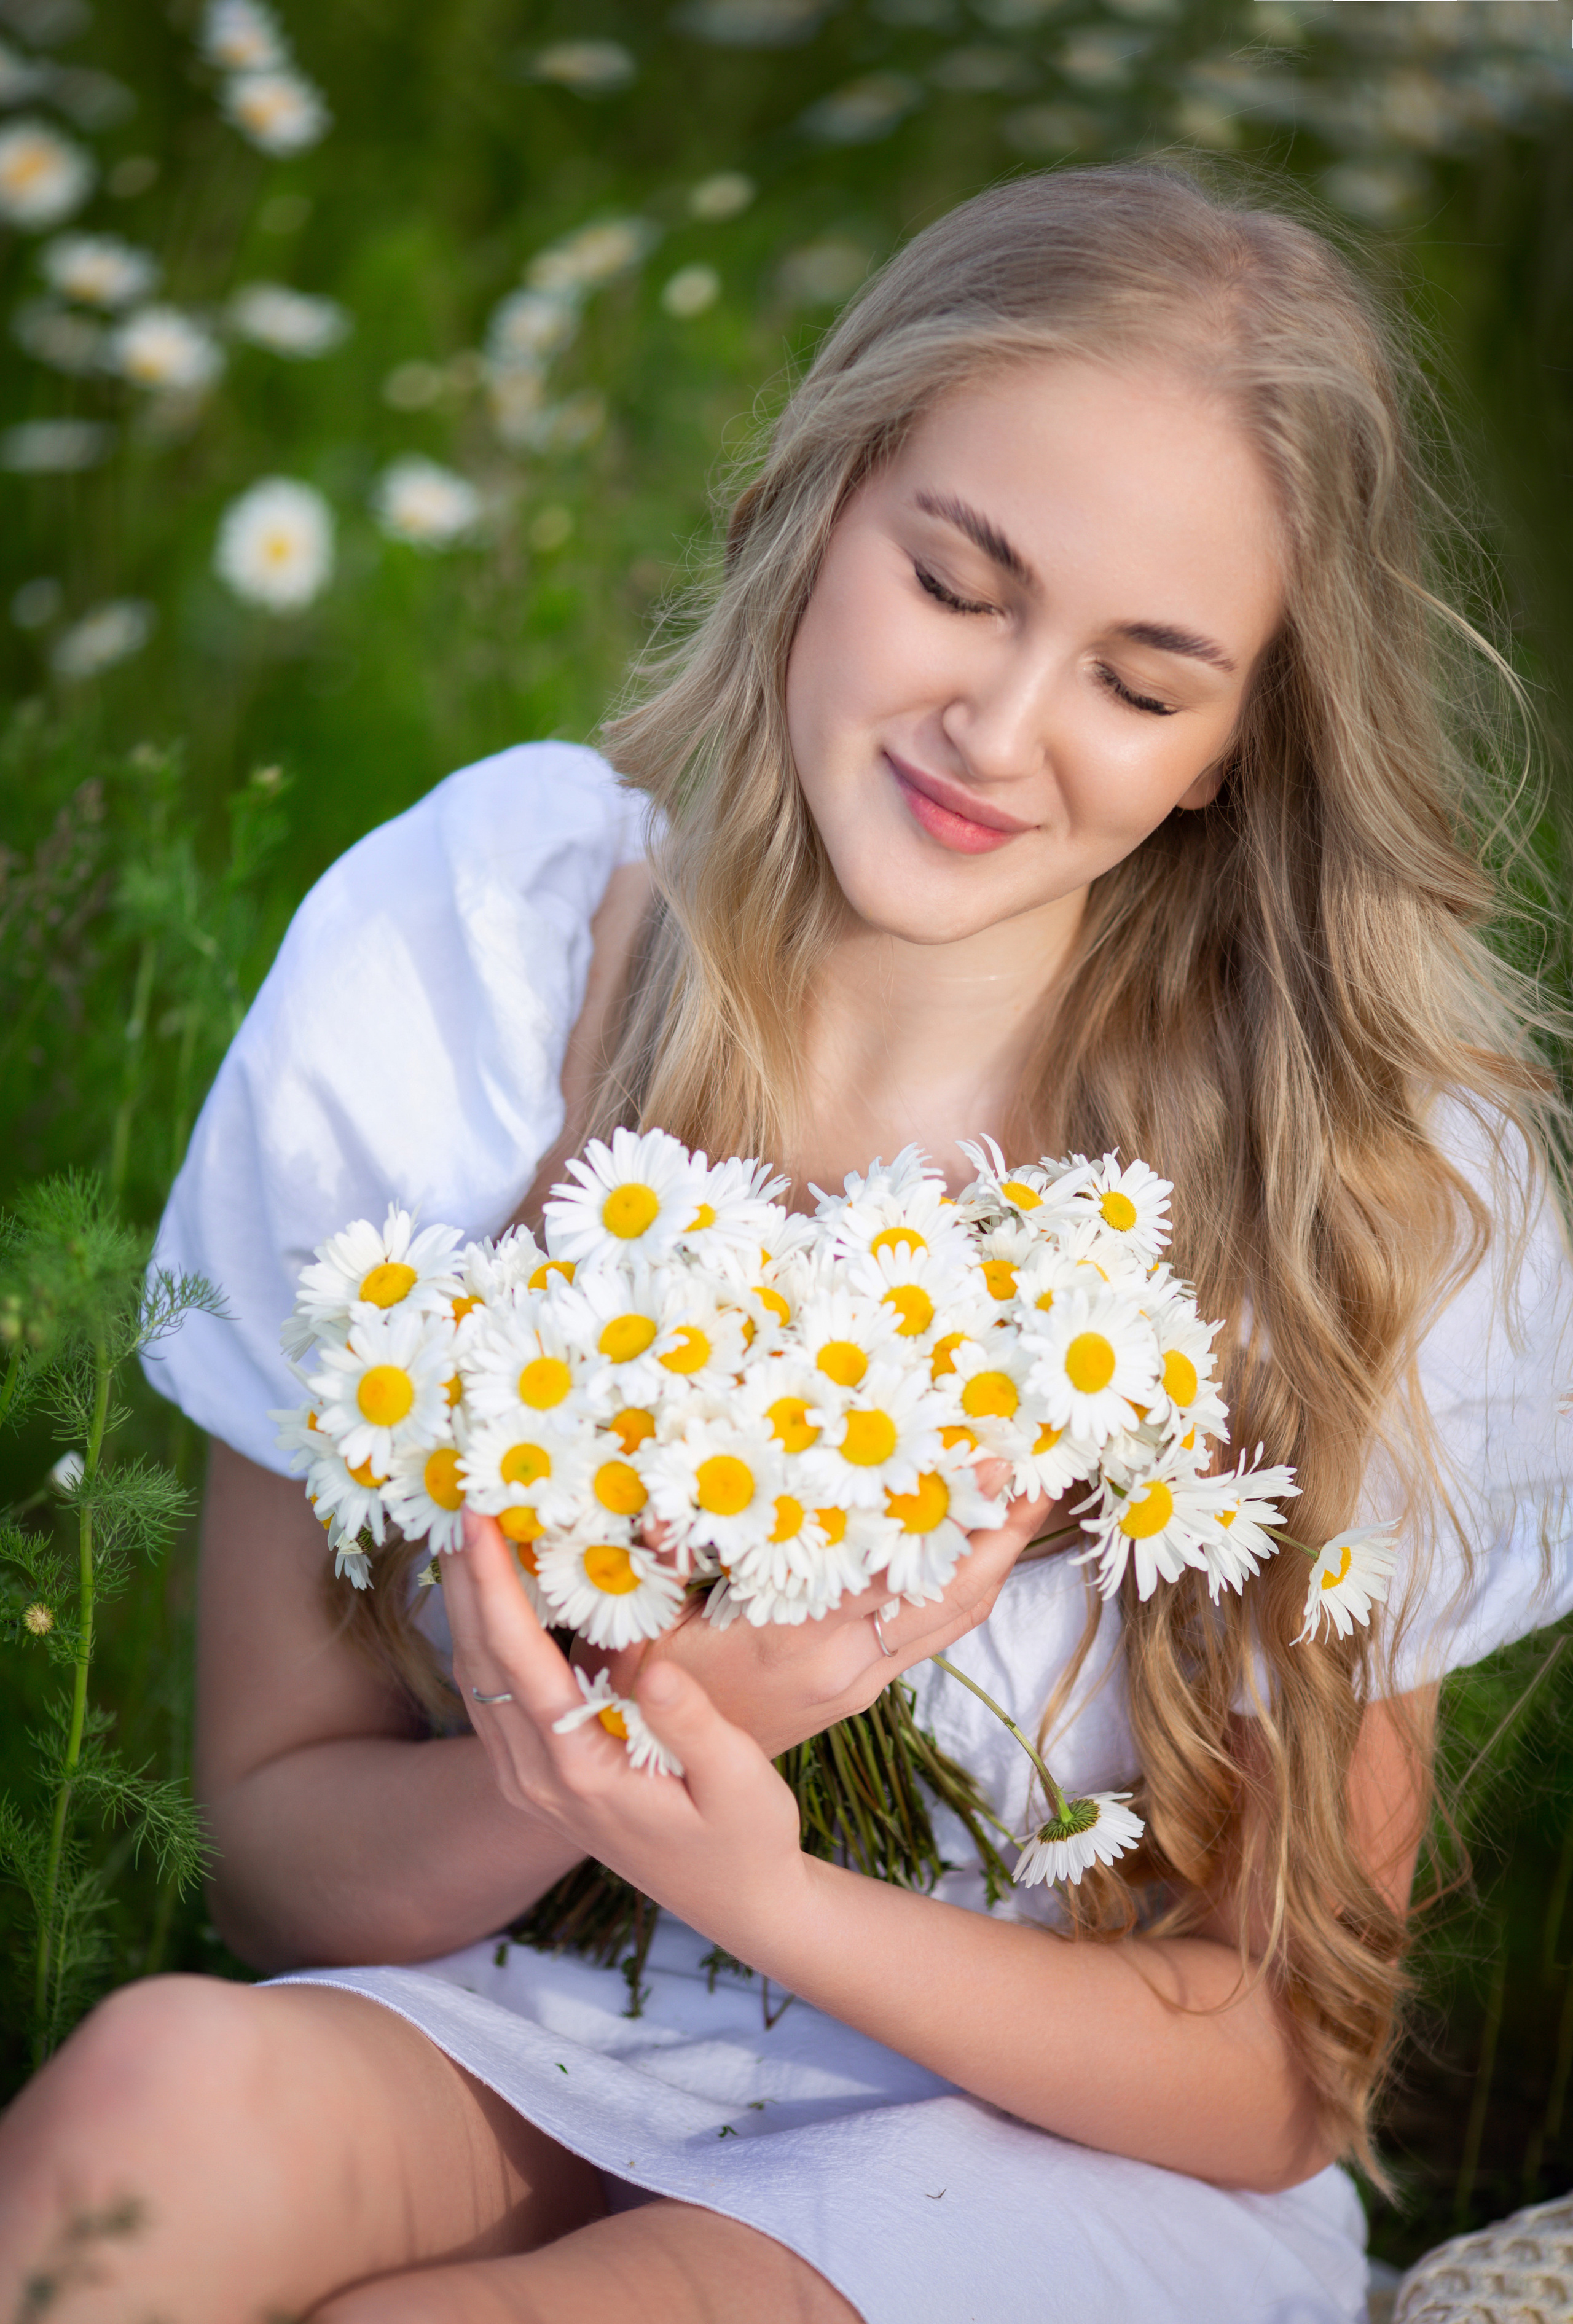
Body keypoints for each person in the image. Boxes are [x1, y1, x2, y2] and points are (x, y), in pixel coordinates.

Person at [2, 162, 1570, 2324]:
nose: (999, 732)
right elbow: (280, 1865)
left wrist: (748, 1872)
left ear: (1234, 751)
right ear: (822, 504)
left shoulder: (1380, 1183)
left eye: (1142, 679)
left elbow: (1288, 2067)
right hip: (522, 2032)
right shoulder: (486, 939)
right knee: (143, 2108)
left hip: (1052, 2152)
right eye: (958, 578)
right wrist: (594, 1763)